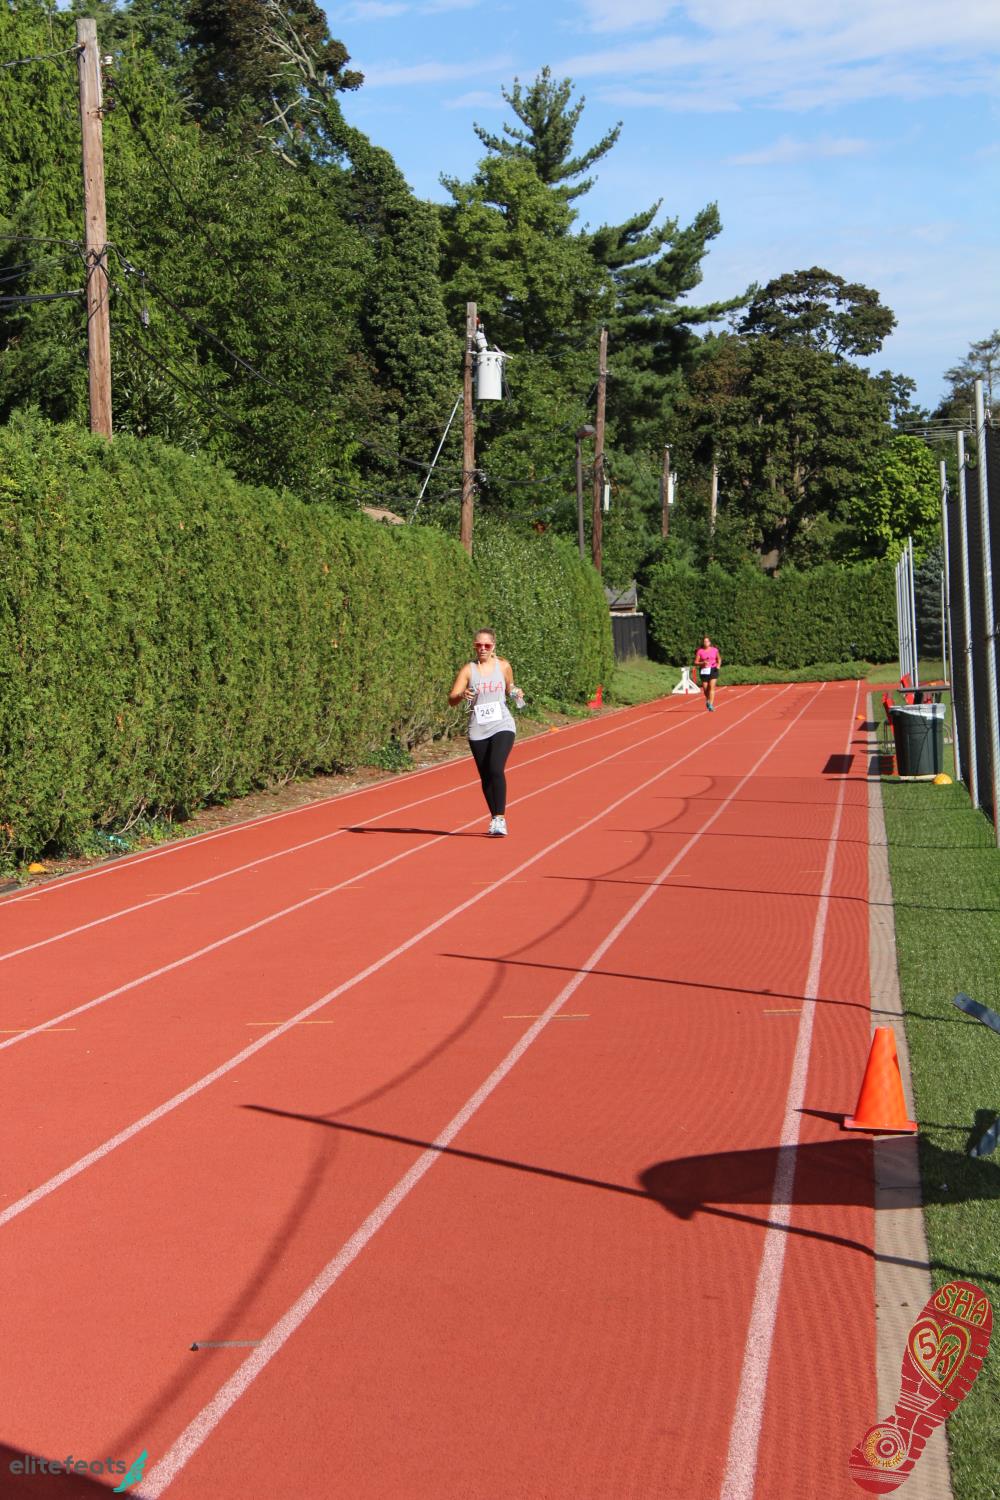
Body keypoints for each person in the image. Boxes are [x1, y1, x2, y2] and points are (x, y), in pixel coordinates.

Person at [449, 629, 524, 835]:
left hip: (502, 724)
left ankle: (500, 818)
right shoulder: (468, 670)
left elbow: (509, 688)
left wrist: (516, 693)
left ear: (493, 647)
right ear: (475, 646)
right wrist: (462, 695)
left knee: (495, 768)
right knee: (485, 775)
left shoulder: (503, 666)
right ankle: (494, 818)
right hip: (478, 728)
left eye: (487, 645)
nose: (482, 649)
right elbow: (452, 699)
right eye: (478, 645)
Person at [693, 634, 722, 711]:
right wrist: (702, 663)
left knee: (712, 687)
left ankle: (711, 705)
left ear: (710, 642)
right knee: (706, 689)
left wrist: (718, 665)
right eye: (704, 641)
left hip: (713, 669)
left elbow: (719, 659)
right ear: (703, 643)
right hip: (704, 670)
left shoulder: (714, 650)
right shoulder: (700, 651)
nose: (706, 643)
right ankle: (708, 700)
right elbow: (695, 662)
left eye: (707, 641)